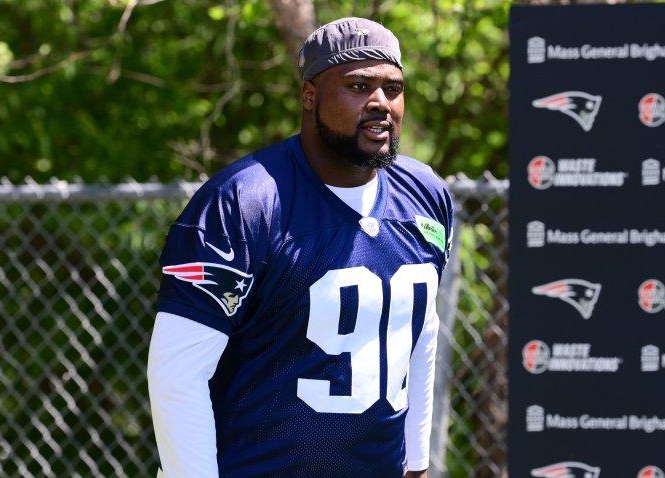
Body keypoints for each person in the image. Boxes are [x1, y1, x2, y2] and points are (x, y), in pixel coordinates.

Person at [147, 17, 454, 478]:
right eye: (357, 85)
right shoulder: (244, 201)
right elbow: (178, 376)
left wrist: (416, 461)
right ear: (310, 96)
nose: (380, 103)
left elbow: (419, 333)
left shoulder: (424, 194)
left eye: (393, 89)